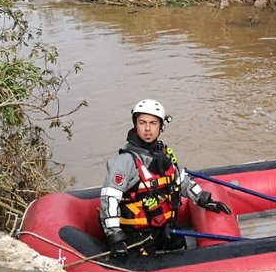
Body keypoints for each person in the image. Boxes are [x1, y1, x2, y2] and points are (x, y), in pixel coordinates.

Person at [99, 99, 230, 258]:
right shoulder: (125, 161)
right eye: (142, 123)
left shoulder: (164, 153)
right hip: (138, 234)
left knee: (179, 247)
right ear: (135, 125)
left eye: (153, 123)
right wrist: (115, 237)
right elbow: (109, 198)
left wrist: (202, 198)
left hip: (164, 226)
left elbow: (180, 180)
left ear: (161, 126)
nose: (148, 129)